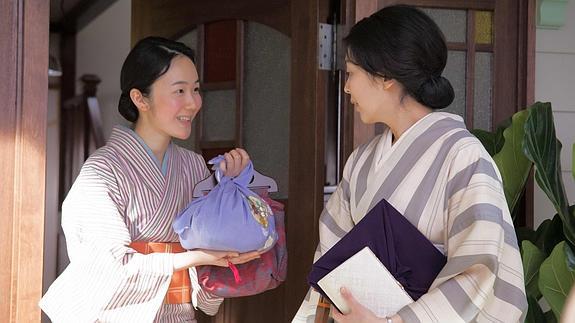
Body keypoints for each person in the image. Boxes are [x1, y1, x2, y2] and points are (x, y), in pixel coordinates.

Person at [293, 5, 527, 323]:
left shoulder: (463, 156)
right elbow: (331, 263)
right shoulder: (360, 163)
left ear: (386, 76)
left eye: (351, 74)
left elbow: (477, 271)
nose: (346, 88)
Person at [40, 36, 260, 322]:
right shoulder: (103, 169)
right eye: (179, 91)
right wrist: (192, 258)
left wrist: (231, 189)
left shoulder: (192, 166)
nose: (193, 103)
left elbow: (215, 248)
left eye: (195, 89)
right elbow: (108, 267)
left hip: (178, 315)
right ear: (139, 98)